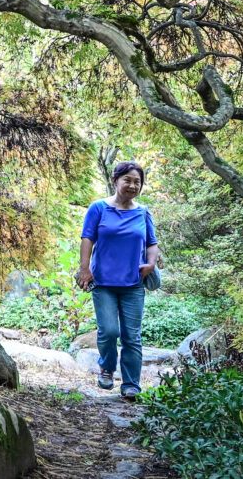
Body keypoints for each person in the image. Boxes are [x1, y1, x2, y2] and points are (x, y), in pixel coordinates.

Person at [76, 161, 161, 401]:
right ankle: (107, 368)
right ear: (116, 181)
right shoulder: (98, 208)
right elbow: (87, 239)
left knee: (132, 335)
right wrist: (84, 269)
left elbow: (151, 243)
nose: (133, 185)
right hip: (103, 282)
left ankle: (131, 384)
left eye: (137, 182)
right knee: (109, 331)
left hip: (133, 283)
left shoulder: (143, 213)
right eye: (128, 180)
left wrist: (151, 264)